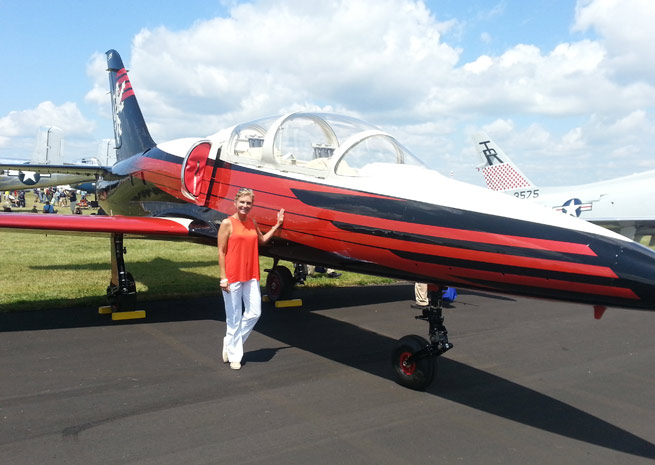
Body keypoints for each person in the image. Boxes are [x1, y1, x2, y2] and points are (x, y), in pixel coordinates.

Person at [218, 188, 284, 370]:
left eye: (248, 203)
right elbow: (221, 252)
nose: (245, 206)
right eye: (242, 202)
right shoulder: (227, 223)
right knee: (233, 317)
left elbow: (261, 240)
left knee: (255, 312)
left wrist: (277, 225)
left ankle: (230, 342)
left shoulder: (252, 222)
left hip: (251, 275)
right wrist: (223, 277)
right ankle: (235, 357)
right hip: (232, 276)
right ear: (235, 202)